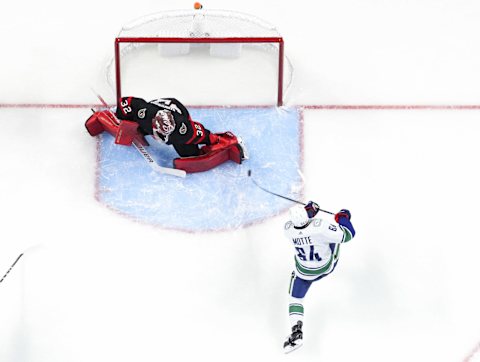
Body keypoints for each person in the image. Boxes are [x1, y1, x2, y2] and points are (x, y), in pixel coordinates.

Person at [85, 96, 247, 173]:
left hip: (178, 110)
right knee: (130, 123)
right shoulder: (144, 113)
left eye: (165, 136)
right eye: (160, 135)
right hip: (157, 109)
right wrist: (119, 115)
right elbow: (125, 102)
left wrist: (222, 141)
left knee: (190, 153)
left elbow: (207, 136)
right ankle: (105, 117)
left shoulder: (183, 131)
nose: (163, 140)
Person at [282, 201, 356, 353]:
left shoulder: (288, 230)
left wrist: (309, 212)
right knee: (333, 240)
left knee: (295, 299)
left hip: (303, 272)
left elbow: (302, 228)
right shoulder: (320, 226)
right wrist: (343, 218)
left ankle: (297, 331)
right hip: (324, 267)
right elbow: (348, 235)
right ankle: (297, 331)